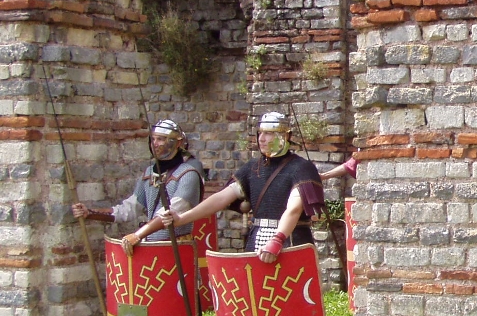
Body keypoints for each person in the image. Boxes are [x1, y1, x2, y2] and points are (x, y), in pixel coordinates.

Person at [162, 112, 325, 264]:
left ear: (285, 136)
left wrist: (277, 239)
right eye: (260, 133)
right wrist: (181, 219)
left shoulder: (301, 168)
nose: (261, 139)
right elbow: (220, 198)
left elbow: (294, 209)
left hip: (292, 241)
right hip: (257, 241)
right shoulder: (252, 167)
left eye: (268, 133)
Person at [72, 119, 204, 255]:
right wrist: (91, 213)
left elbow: (168, 214)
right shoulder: (149, 173)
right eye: (153, 139)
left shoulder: (188, 175)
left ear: (177, 143)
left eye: (160, 139)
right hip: (151, 248)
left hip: (177, 248)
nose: (155, 144)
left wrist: (137, 235)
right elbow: (129, 209)